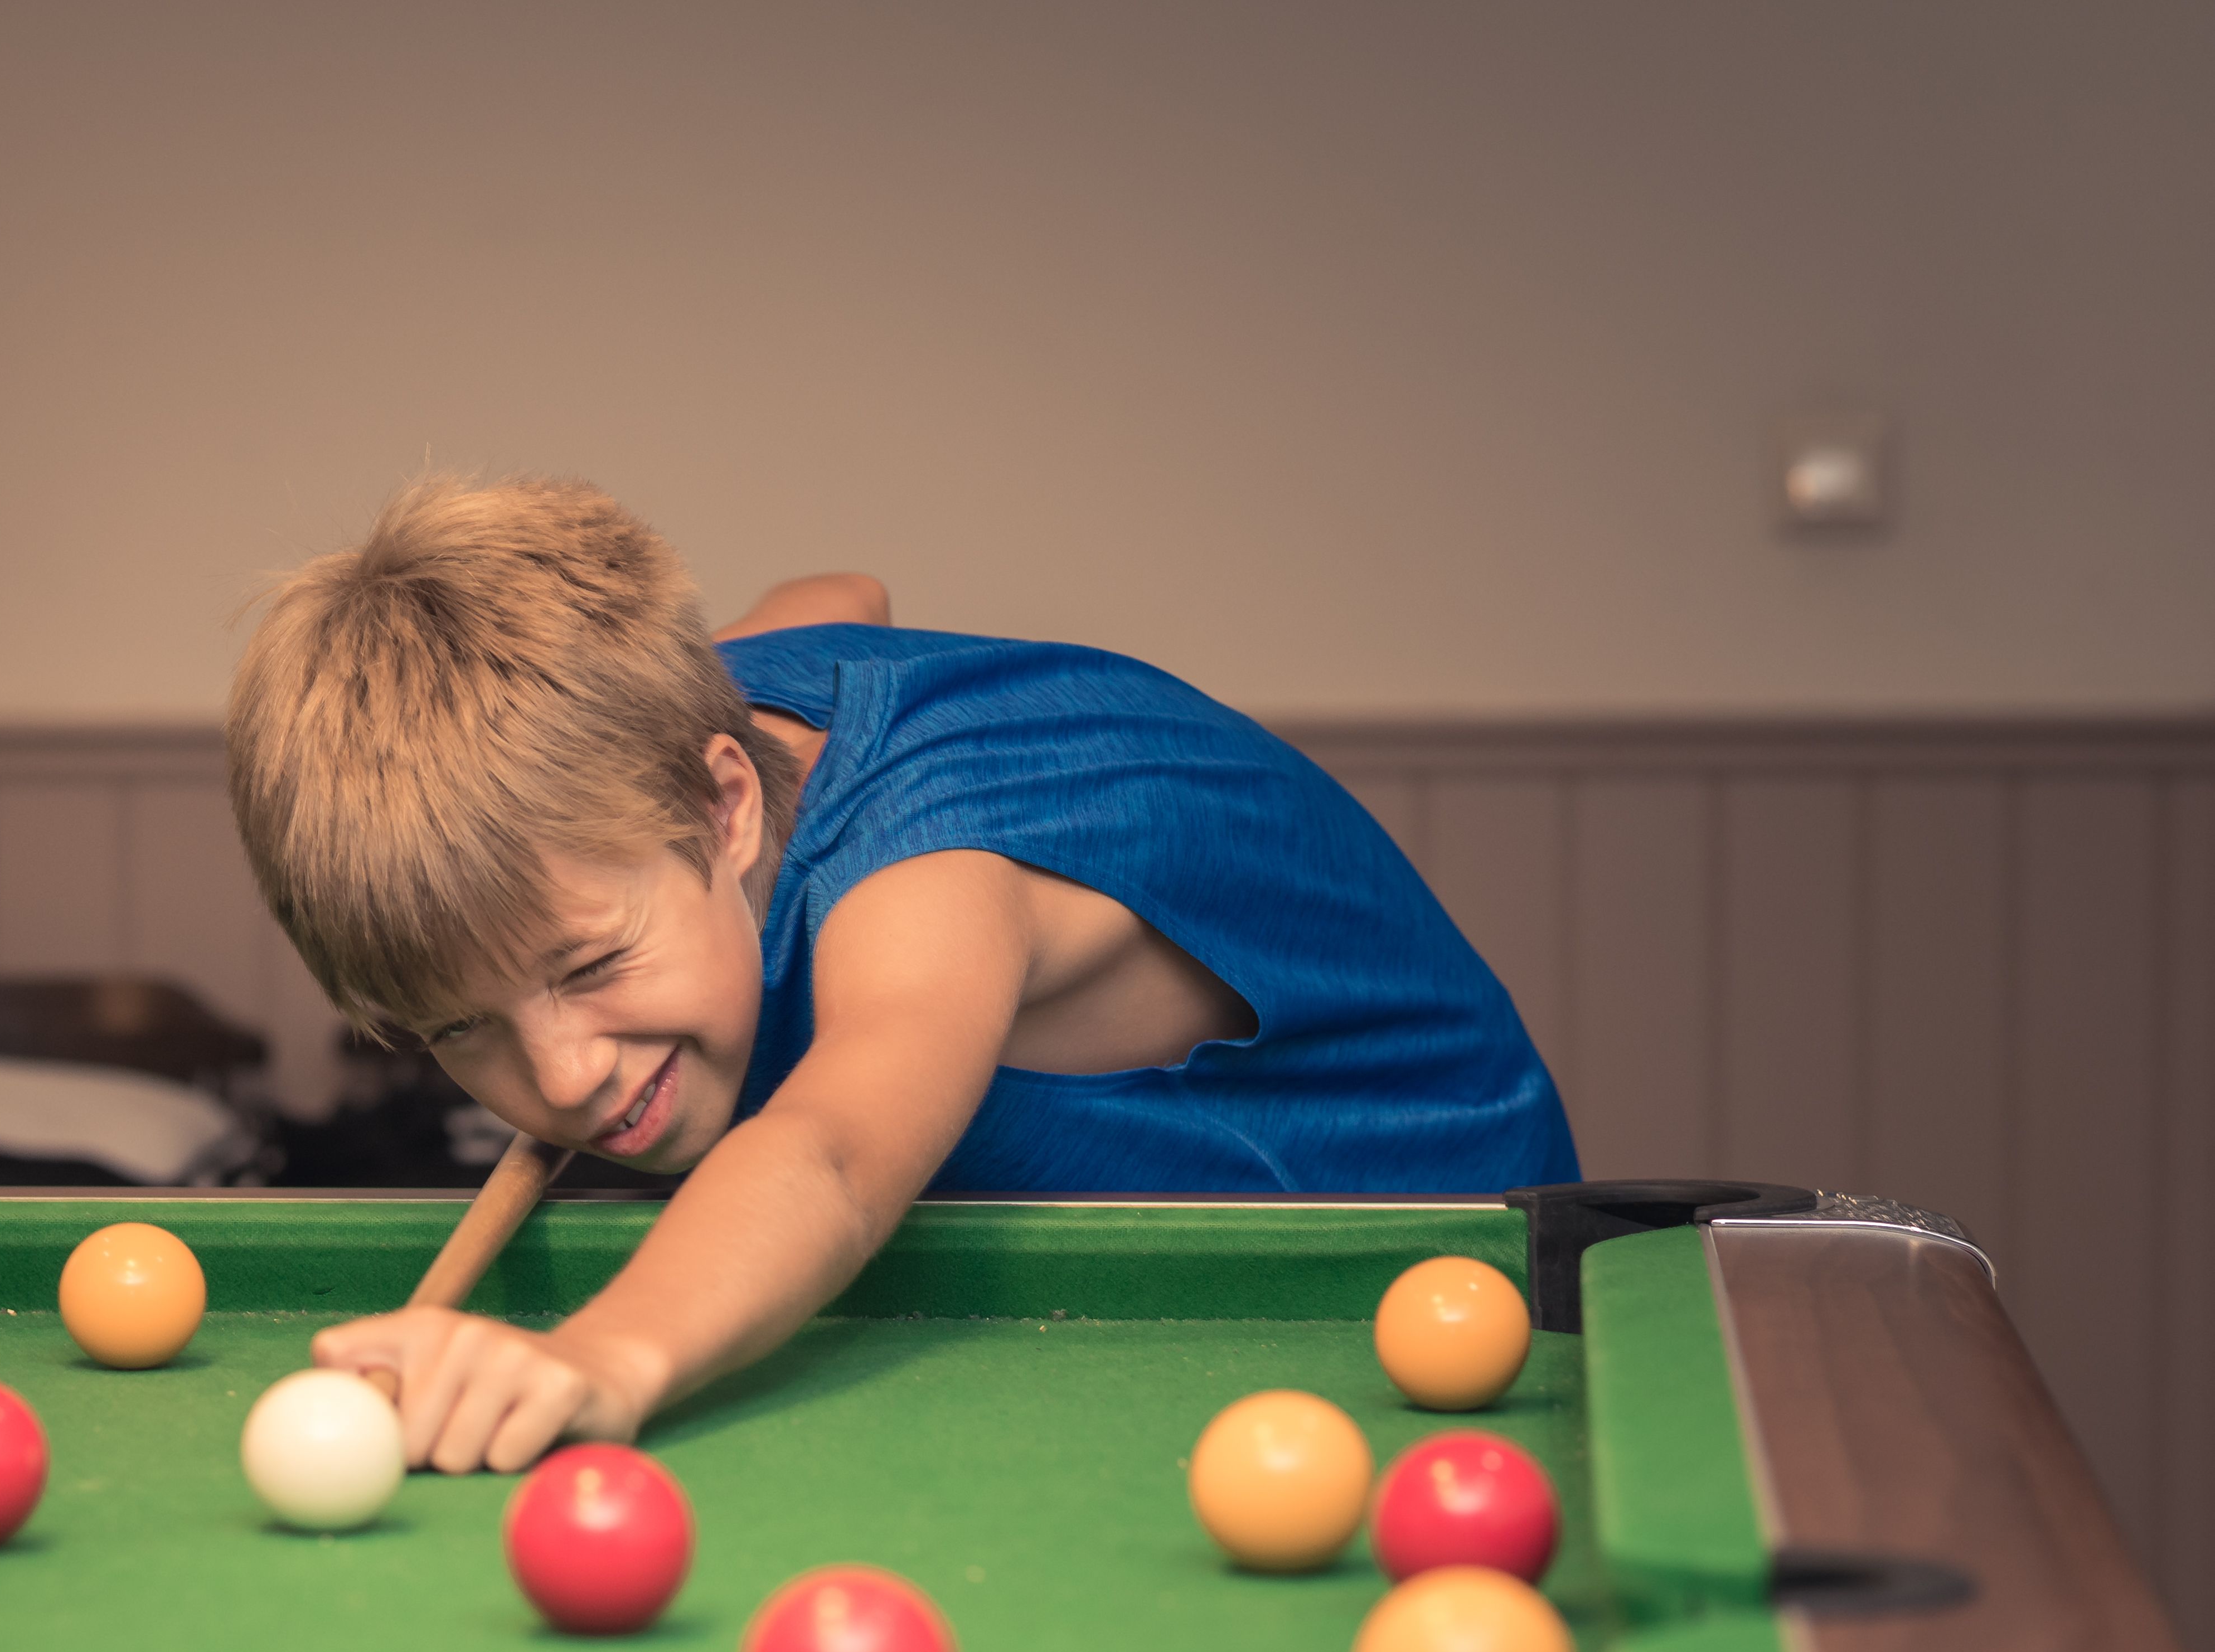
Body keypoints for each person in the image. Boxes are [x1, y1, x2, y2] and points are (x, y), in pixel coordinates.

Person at [225, 475, 1577, 1474]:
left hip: (1412, 1236)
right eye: (468, 1027)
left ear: (722, 808)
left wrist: (599, 1357)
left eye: (588, 965)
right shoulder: (697, 711)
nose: (562, 1076)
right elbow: (838, 596)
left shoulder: (931, 878)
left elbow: (826, 1153)